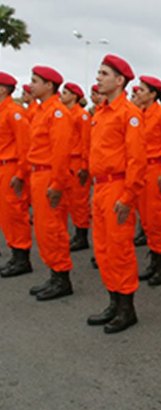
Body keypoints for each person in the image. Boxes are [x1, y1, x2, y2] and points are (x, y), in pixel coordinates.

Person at [86, 54, 146, 334]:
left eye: (104, 73)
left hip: (118, 187)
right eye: (98, 73)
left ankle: (126, 308)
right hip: (101, 187)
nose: (98, 77)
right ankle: (113, 301)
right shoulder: (101, 111)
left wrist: (128, 196)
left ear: (119, 80)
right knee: (103, 249)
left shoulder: (128, 114)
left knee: (120, 250)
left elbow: (136, 160)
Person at [23, 66, 75, 301]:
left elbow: (61, 152)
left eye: (35, 81)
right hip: (38, 174)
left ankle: (62, 277)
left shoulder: (57, 113)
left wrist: (57, 183)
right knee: (43, 230)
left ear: (49, 86)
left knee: (53, 229)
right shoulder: (42, 111)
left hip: (49, 175)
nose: (31, 85)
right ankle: (54, 274)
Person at [133, 75, 161, 286]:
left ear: (152, 94)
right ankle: (154, 260)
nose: (138, 92)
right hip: (142, 170)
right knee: (147, 220)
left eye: (142, 90)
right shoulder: (140, 114)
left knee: (157, 219)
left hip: (155, 170)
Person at [0, 71, 33, 278]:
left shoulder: (14, 112)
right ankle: (15, 253)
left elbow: (25, 146)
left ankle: (22, 258)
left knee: (15, 212)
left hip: (12, 167)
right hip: (3, 166)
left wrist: (21, 173)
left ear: (3, 89)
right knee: (6, 214)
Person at [60, 82, 92, 252]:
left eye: (65, 92)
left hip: (77, 160)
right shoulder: (65, 114)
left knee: (79, 201)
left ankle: (82, 236)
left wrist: (85, 166)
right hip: (66, 160)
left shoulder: (82, 116)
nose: (61, 95)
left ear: (74, 96)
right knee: (69, 201)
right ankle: (76, 233)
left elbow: (86, 143)